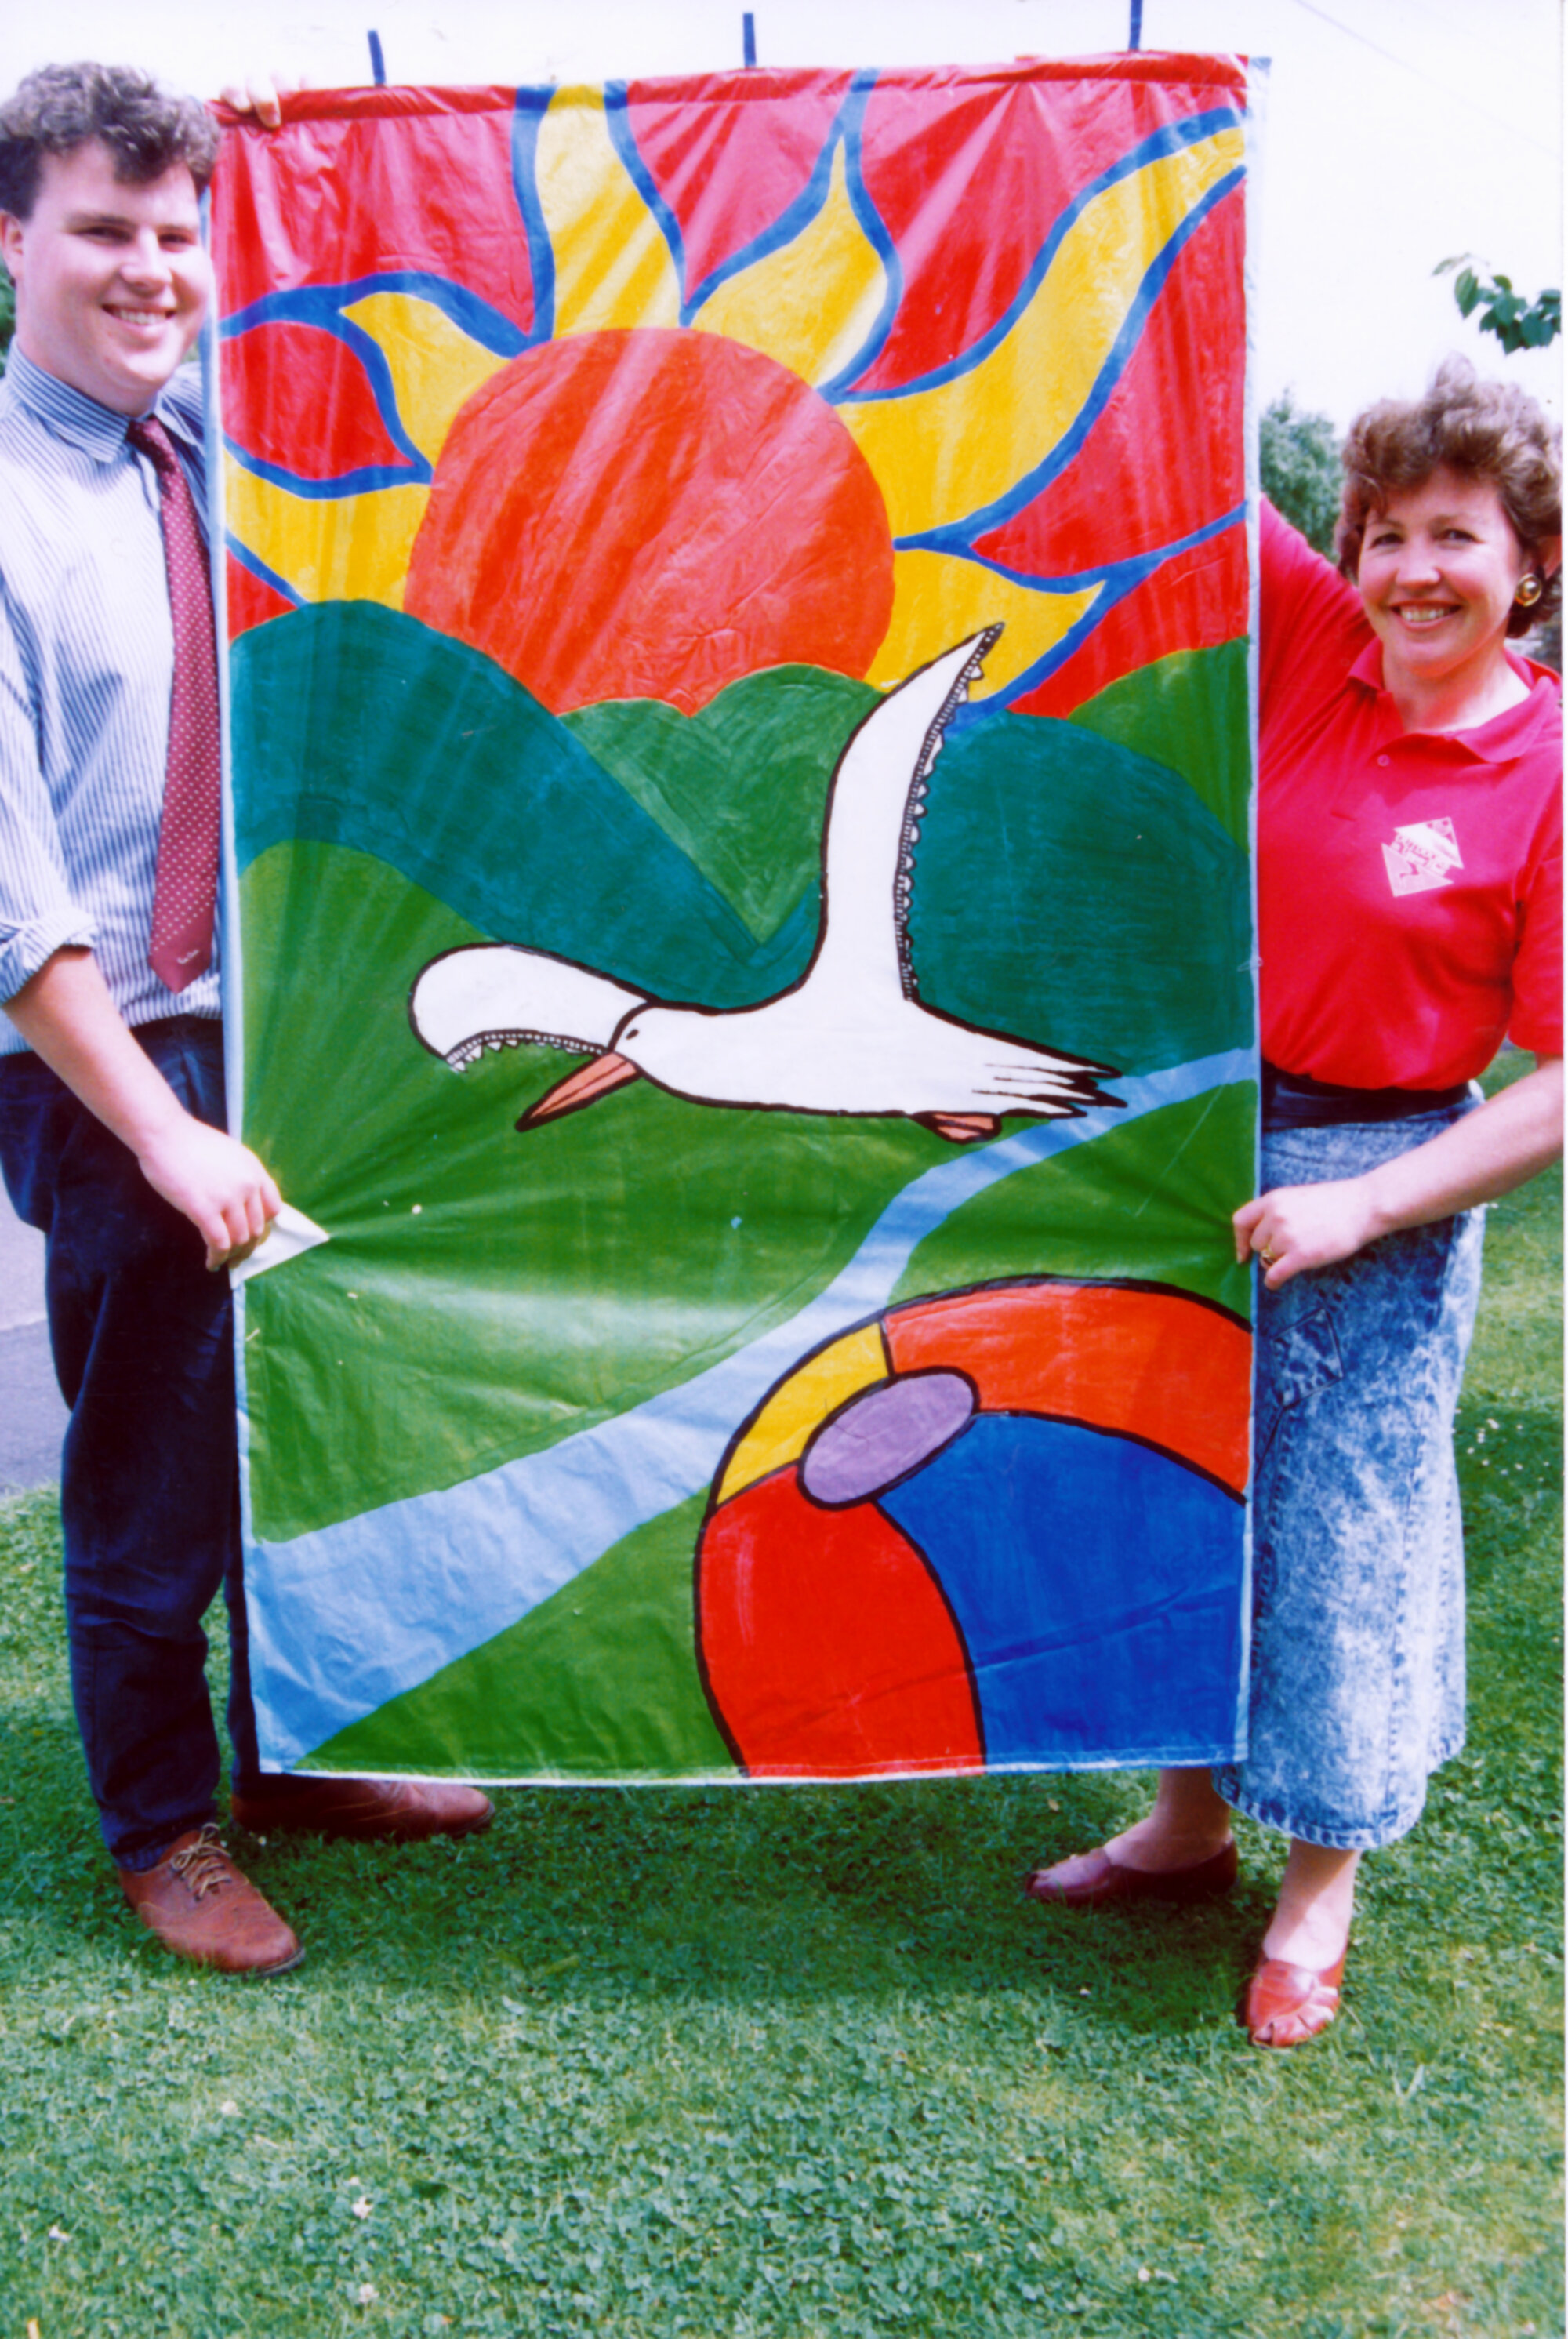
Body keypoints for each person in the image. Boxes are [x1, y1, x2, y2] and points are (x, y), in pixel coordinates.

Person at [0, 62, 492, 1979]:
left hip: (276, 1013)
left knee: (301, 1414)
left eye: (178, 234)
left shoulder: (215, 447)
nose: (151, 270)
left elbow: (377, 301)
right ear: (12, 240)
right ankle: (162, 1826)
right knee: (155, 1447)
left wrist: (312, 153)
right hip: (111, 1054)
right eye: (104, 231)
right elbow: (18, 908)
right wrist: (162, 1127)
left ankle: (298, 1756)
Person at [1026, 357, 1563, 2047]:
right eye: (1386, 532)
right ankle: (1184, 1825)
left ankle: (1315, 1885)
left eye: (1456, 537)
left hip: (1380, 1183)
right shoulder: (1323, 658)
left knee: (1342, 1545)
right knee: (1190, 1492)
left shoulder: (1544, 763)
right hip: (1204, 1148)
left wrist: (1368, 1206)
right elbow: (1170, 422)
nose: (1413, 567)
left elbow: (1556, 1077)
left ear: (1527, 563)